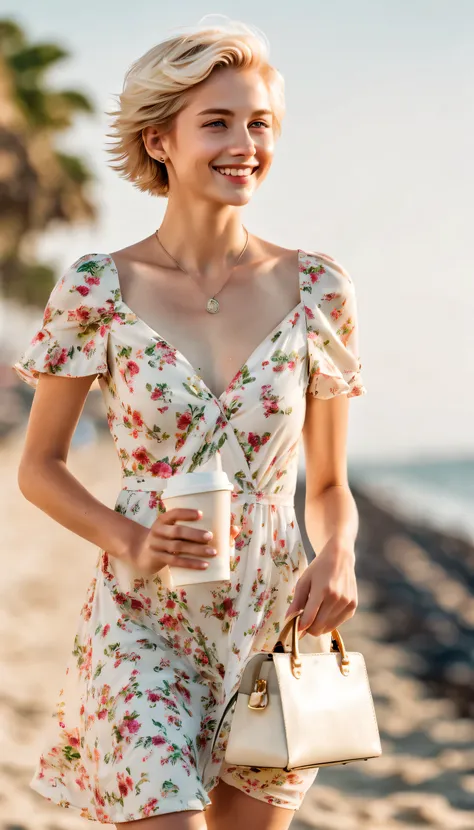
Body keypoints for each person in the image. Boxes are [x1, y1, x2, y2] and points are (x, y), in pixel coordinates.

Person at [13, 15, 367, 830]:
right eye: (217, 121)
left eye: (259, 123)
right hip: (143, 618)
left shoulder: (320, 290)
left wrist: (340, 551)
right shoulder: (98, 287)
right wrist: (129, 539)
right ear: (160, 140)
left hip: (271, 627)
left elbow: (327, 483)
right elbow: (40, 467)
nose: (245, 143)